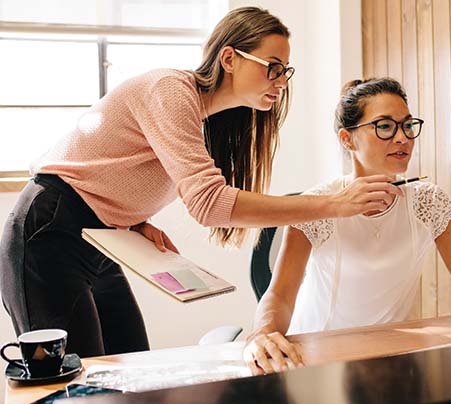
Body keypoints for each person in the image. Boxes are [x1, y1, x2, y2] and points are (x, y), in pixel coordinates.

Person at [0, 8, 402, 358]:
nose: (281, 81)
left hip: (102, 239)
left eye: (285, 70)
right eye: (272, 67)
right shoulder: (171, 90)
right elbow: (209, 205)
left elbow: (115, 167)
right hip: (48, 233)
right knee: (74, 382)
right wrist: (334, 203)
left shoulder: (205, 119)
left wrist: (131, 218)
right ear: (229, 58)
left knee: (133, 370)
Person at [243, 77, 451, 375]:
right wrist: (261, 335)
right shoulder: (316, 204)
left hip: (392, 357)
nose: (403, 138)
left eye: (407, 125)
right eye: (385, 126)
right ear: (347, 139)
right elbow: (279, 296)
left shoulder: (430, 202)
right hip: (314, 356)